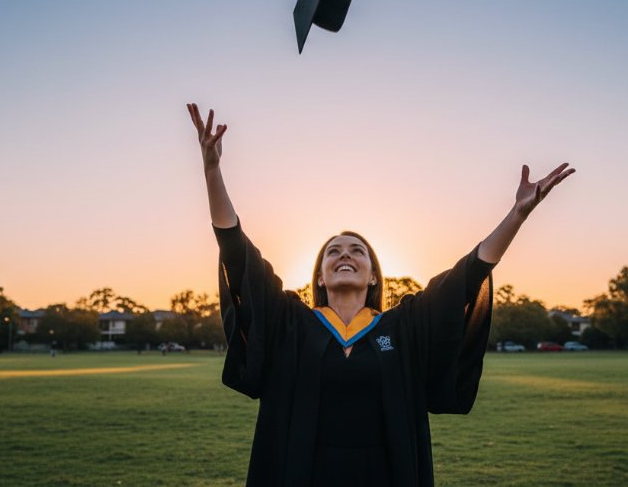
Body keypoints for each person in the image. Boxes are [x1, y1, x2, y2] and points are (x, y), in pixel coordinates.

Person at [187, 103, 574, 487]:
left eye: (358, 251)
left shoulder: (403, 326)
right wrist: (212, 171)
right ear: (319, 277)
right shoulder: (291, 321)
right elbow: (238, 254)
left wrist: (517, 215)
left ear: (373, 276)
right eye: (333, 251)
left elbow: (467, 277)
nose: (345, 255)